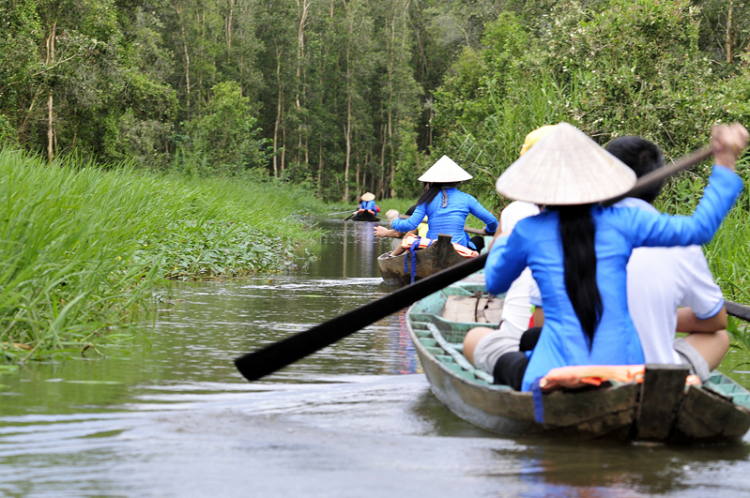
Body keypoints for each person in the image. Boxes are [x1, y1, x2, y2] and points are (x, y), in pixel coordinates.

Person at [485, 122, 747, 392]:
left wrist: (504, 239)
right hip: (627, 370)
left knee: (495, 344)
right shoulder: (625, 221)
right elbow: (699, 229)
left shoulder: (528, 231)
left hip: (553, 369)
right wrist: (725, 162)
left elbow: (494, 282)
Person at [388, 156, 498, 251]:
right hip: (459, 249)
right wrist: (489, 230)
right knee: (478, 240)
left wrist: (394, 220)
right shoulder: (467, 199)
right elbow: (492, 221)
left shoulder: (427, 199)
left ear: (432, 182)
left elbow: (409, 225)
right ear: (458, 182)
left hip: (432, 248)